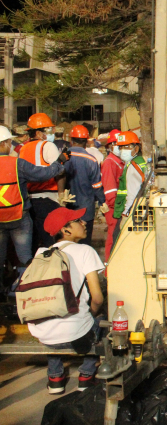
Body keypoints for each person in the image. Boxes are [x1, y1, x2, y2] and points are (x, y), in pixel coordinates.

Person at [29, 207, 105, 395]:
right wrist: (91, 314)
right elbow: (97, 297)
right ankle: (86, 376)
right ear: (66, 230)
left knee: (51, 315)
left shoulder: (41, 254)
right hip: (75, 334)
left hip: (43, 334)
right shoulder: (85, 251)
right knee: (103, 320)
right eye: (77, 221)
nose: (84, 222)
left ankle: (55, 378)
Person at [0, 125, 67, 293]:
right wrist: (60, 162)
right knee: (25, 257)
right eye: (9, 142)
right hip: (19, 218)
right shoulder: (18, 164)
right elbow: (43, 174)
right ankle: (25, 290)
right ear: (5, 143)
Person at [20, 113, 68, 254]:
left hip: (30, 200)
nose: (51, 133)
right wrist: (61, 196)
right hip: (48, 199)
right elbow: (59, 171)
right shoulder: (47, 146)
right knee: (52, 242)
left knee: (35, 241)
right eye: (48, 130)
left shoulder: (23, 149)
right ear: (39, 132)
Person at [65, 125, 106, 246]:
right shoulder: (91, 160)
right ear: (86, 142)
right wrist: (102, 201)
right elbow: (97, 185)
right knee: (84, 241)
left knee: (68, 240)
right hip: (86, 208)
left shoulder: (64, 156)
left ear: (71, 140)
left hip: (68, 206)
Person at [111, 131, 148, 248]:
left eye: (126, 147)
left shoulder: (133, 166)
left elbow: (132, 194)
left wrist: (125, 215)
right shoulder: (141, 162)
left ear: (136, 149)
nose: (123, 150)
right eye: (121, 147)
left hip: (132, 212)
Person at [100, 129, 123, 259]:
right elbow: (110, 191)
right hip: (114, 208)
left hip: (117, 207)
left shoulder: (118, 162)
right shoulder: (110, 163)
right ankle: (109, 272)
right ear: (110, 146)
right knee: (112, 241)